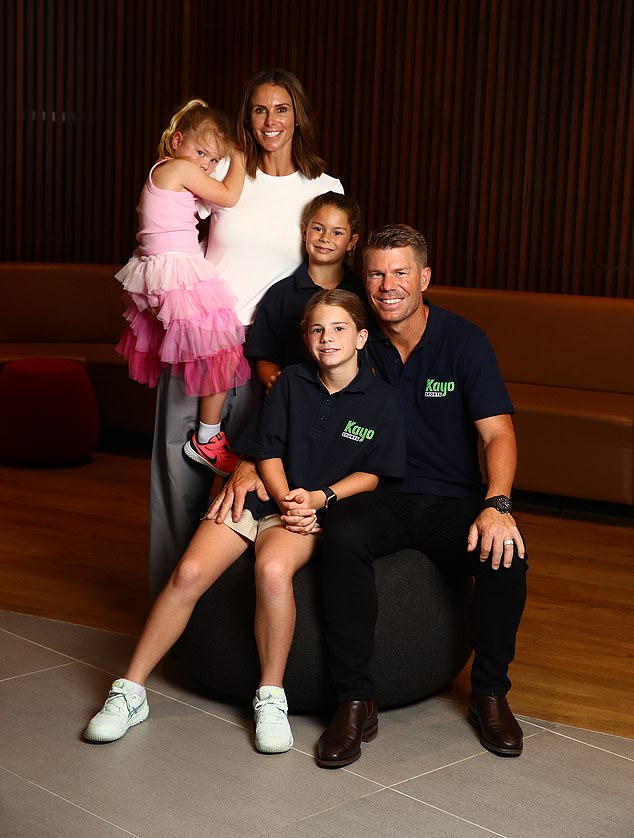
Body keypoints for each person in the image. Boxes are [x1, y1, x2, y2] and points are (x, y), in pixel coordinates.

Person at [210, 224, 528, 768]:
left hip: (453, 498)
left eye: (400, 272)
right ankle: (355, 699)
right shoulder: (351, 334)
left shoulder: (464, 341)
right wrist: (246, 463)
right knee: (345, 537)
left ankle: (490, 693)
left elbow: (497, 433)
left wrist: (498, 505)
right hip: (379, 492)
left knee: (507, 556)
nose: (387, 285)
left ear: (424, 278)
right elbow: (288, 396)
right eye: (377, 273)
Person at [84, 289, 406, 755]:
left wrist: (317, 499)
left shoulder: (384, 401)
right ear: (305, 338)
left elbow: (374, 473)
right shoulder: (292, 382)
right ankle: (130, 691)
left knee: (272, 572)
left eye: (338, 329)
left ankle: (270, 696)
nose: (327, 338)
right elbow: (267, 452)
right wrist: (282, 498)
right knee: (189, 572)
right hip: (268, 496)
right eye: (316, 329)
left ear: (360, 337)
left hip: (314, 509)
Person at [150, 70, 344, 596]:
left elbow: (330, 275)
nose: (271, 121)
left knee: (252, 484)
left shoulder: (323, 188)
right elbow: (166, 217)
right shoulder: (226, 166)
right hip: (205, 336)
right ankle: (168, 603)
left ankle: (224, 618)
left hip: (276, 349)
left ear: (298, 114)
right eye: (260, 110)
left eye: (281, 109)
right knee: (180, 473)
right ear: (246, 116)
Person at [114, 99, 250, 476]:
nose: (205, 165)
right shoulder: (177, 168)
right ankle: (207, 438)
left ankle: (206, 435)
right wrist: (236, 155)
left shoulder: (167, 173)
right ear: (176, 142)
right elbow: (228, 196)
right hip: (174, 271)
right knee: (225, 350)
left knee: (215, 353)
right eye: (201, 152)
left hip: (159, 271)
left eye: (213, 159)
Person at [245, 191, 364, 391]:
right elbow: (265, 357)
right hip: (296, 397)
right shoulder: (280, 294)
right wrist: (277, 382)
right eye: (318, 228)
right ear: (304, 232)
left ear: (352, 241)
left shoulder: (362, 293)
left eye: (337, 232)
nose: (325, 238)